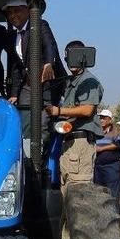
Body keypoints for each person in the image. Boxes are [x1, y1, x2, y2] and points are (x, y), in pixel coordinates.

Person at [3, 0, 66, 137]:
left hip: (46, 82)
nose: (13, 15)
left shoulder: (40, 25)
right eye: (10, 12)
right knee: (25, 119)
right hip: (28, 84)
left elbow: (50, 45)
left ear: (27, 11)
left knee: (42, 122)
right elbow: (16, 67)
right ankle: (27, 155)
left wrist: (49, 63)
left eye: (17, 11)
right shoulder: (12, 36)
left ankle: (40, 156)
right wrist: (13, 93)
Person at [45, 40, 102, 192]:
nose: (70, 61)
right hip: (69, 141)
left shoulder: (88, 81)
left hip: (80, 142)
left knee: (79, 192)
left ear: (83, 57)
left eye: (74, 56)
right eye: (67, 58)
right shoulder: (72, 81)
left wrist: (59, 111)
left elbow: (87, 110)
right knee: (67, 189)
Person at [93, 109, 120, 197]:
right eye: (100, 118)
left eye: (104, 118)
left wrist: (101, 149)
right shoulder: (96, 131)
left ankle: (114, 210)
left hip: (111, 166)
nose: (101, 120)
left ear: (110, 120)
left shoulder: (115, 131)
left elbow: (119, 144)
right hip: (98, 166)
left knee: (112, 191)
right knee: (99, 190)